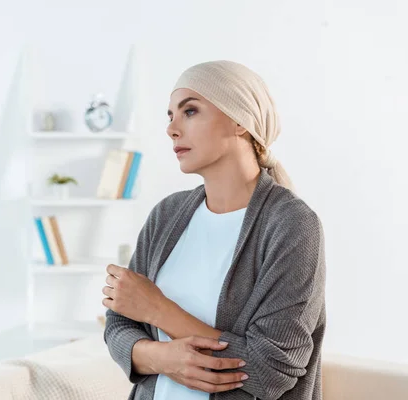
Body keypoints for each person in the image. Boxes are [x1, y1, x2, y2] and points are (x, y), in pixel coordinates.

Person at [102, 60, 326, 400]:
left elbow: (270, 370)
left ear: (240, 121)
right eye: (170, 116)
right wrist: (161, 358)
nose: (172, 129)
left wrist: (157, 310)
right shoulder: (167, 215)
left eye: (190, 111)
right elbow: (119, 324)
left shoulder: (292, 225)